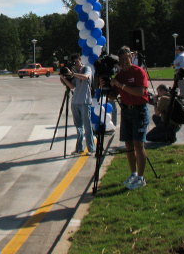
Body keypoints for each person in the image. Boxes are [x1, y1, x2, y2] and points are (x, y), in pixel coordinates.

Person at [101, 46, 149, 190]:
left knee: (138, 144)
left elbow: (141, 92)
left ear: (130, 58)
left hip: (139, 110)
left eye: (126, 58)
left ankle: (141, 177)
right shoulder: (119, 75)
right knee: (128, 144)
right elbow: (112, 96)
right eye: (121, 60)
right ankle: (133, 173)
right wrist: (106, 87)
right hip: (126, 110)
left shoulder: (138, 72)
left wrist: (121, 86)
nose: (124, 62)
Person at [60, 53, 95, 156]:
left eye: (76, 61)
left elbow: (86, 77)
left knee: (87, 127)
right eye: (74, 62)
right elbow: (72, 86)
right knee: (78, 126)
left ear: (80, 60)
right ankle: (79, 148)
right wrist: (64, 78)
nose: (75, 64)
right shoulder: (76, 72)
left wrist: (72, 74)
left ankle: (91, 148)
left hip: (85, 101)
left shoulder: (86, 69)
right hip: (76, 101)